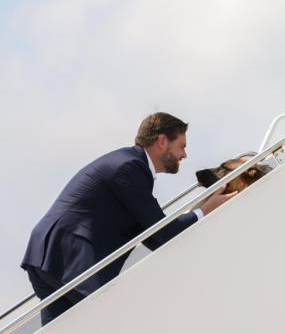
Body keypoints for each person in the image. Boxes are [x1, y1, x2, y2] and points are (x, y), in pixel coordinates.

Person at [21, 112, 236, 325]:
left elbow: (153, 237)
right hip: (70, 256)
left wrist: (199, 209)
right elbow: (161, 233)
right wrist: (204, 211)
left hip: (48, 256)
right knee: (115, 322)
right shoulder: (130, 168)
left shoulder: (129, 164)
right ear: (162, 141)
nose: (185, 155)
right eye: (181, 146)